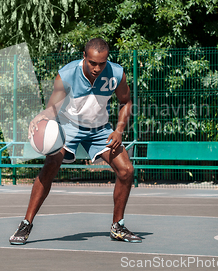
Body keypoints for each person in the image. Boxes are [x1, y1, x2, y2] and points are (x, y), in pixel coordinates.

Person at [9, 38, 142, 244]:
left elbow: (125, 102)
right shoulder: (68, 73)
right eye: (92, 63)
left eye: (102, 63)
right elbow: (54, 105)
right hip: (69, 127)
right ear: (84, 57)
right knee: (51, 165)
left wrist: (119, 130)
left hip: (100, 130)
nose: (97, 68)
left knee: (126, 171)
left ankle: (118, 226)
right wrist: (43, 115)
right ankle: (26, 223)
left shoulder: (116, 73)